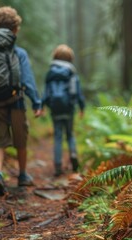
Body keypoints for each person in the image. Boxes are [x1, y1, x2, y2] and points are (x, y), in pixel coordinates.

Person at [0, 6, 42, 196]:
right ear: (15, 29)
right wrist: (36, 102)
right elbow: (27, 80)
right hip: (16, 102)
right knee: (20, 139)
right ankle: (22, 175)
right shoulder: (18, 52)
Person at [41, 44, 85, 177]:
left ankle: (58, 166)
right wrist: (82, 107)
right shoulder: (71, 72)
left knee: (58, 136)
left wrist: (41, 106)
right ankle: (73, 154)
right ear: (70, 58)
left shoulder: (51, 73)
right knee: (70, 134)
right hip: (69, 107)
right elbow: (77, 92)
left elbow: (46, 92)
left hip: (55, 108)